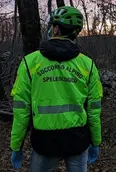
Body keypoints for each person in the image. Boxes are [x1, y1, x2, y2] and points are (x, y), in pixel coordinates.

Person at [10, 6, 103, 172]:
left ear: (56, 28)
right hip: (78, 140)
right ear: (75, 32)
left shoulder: (29, 62)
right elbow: (94, 109)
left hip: (45, 142)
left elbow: (21, 110)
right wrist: (96, 141)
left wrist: (16, 145)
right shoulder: (88, 65)